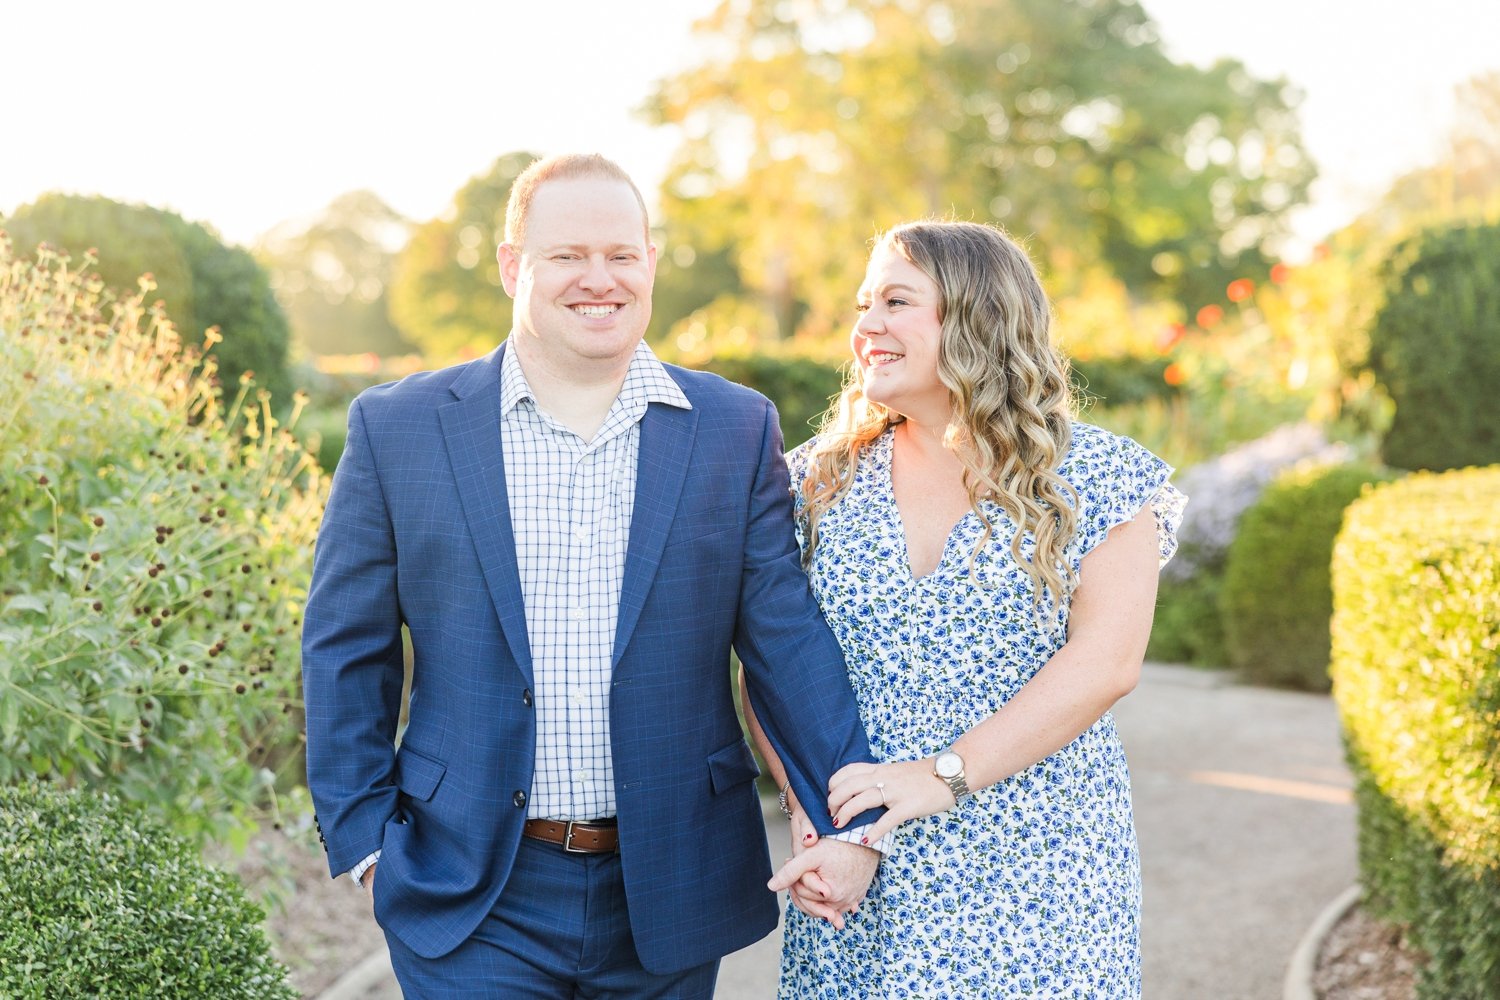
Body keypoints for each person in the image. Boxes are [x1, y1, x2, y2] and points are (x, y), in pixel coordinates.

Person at [301, 153, 884, 999]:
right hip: (467, 883)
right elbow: (345, 648)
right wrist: (366, 846)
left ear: (650, 262)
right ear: (513, 265)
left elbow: (784, 639)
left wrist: (851, 824)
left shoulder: (733, 429)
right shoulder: (400, 429)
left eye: (621, 254)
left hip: (671, 883)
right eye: (567, 255)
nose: (598, 279)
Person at [748, 220, 1187, 998]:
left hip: (1041, 869)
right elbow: (772, 662)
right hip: (864, 866)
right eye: (862, 305)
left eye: (896, 301)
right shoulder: (814, 484)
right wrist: (815, 821)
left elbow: (1108, 662)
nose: (866, 327)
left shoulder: (1099, 475)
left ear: (977, 315)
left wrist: (939, 777)